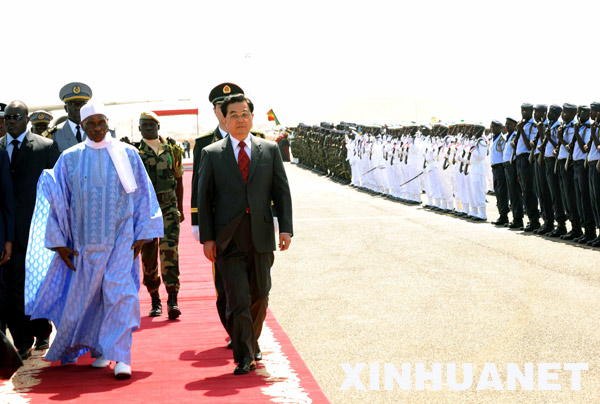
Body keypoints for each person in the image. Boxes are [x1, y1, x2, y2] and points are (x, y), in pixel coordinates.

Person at [24, 103, 163, 379]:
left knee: (120, 292)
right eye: (91, 124)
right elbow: (57, 199)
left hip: (121, 239)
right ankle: (101, 349)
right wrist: (58, 240)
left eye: (101, 122)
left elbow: (143, 194)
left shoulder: (128, 154)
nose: (97, 128)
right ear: (84, 126)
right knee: (92, 298)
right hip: (84, 244)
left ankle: (122, 355)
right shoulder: (70, 157)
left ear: (107, 123)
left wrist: (142, 233)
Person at [198, 94, 293, 375]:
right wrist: (208, 238)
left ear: (252, 117)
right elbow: (205, 199)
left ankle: (250, 340)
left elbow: (281, 191)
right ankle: (245, 355)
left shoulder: (268, 149)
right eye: (234, 115)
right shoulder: (212, 153)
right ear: (224, 120)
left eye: (245, 114)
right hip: (228, 238)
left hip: (261, 235)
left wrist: (286, 227)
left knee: (260, 295)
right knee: (237, 298)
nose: (240, 119)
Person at [0, 101, 59, 359]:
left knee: (37, 283)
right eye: (7, 117)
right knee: (13, 285)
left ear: (26, 118)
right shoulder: (0, 147)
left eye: (15, 116)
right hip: (6, 230)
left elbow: (57, 190)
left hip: (36, 229)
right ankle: (22, 339)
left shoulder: (45, 147)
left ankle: (42, 331)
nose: (11, 121)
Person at [191, 82, 245, 349]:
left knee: (254, 284)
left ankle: (245, 331)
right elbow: (197, 190)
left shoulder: (255, 139)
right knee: (224, 285)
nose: (228, 113)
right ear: (216, 111)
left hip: (249, 225)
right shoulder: (203, 145)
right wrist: (197, 222)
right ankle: (235, 330)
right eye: (221, 108)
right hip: (221, 227)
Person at [136, 111, 184, 319]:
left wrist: (180, 207)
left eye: (151, 125)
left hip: (168, 208)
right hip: (145, 211)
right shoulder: (134, 152)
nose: (148, 128)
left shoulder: (172, 150)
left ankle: (172, 298)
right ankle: (154, 298)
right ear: (139, 129)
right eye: (144, 125)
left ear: (158, 127)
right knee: (148, 257)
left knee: (170, 253)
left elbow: (179, 179)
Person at [50, 82, 92, 152]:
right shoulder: (54, 135)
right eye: (73, 104)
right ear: (66, 108)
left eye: (82, 103)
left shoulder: (100, 131)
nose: (78, 107)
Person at [489, 120, 509, 225]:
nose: (493, 129)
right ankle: (501, 214)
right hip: (494, 168)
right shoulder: (492, 139)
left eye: (495, 127)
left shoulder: (502, 139)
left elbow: (504, 155)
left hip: (501, 167)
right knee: (497, 191)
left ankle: (504, 215)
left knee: (502, 192)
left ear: (500, 128)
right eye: (491, 127)